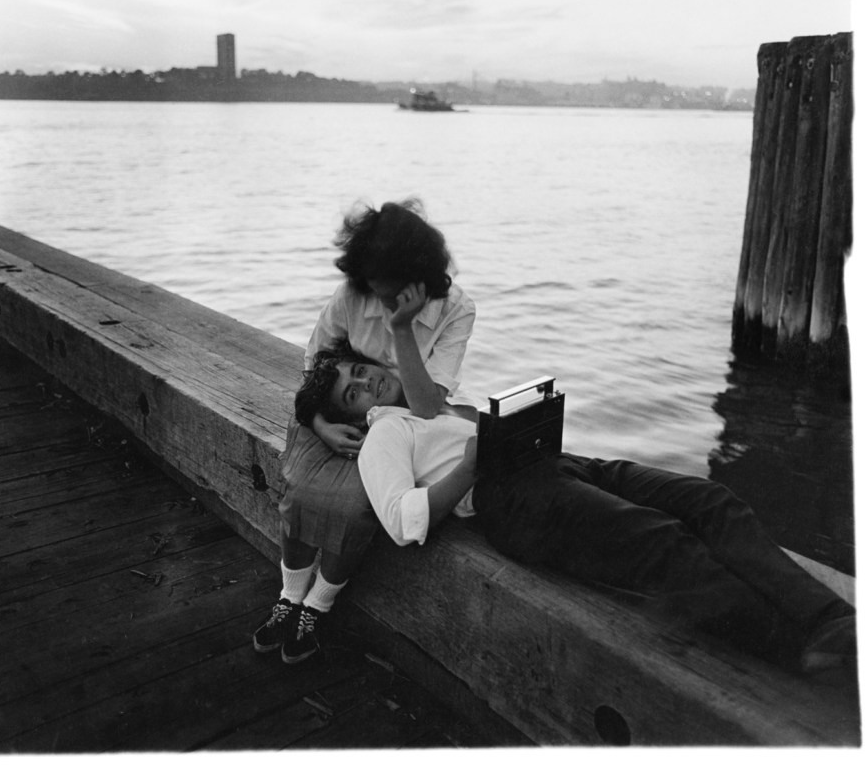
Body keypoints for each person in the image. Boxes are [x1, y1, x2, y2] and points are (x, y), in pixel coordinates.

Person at [293, 346, 858, 683]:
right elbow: (399, 519)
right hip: (512, 501)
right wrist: (469, 466)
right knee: (662, 542)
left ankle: (830, 616)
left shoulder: (431, 402)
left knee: (710, 500)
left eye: (360, 372)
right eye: (353, 395)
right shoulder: (384, 435)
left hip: (558, 464)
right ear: (351, 418)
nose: (367, 382)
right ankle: (796, 646)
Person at [252, 199, 478, 664]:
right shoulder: (352, 296)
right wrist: (321, 425)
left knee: (355, 507)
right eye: (372, 285)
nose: (378, 295)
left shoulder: (456, 311)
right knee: (300, 492)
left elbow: (426, 404)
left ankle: (318, 604)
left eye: (388, 287)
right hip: (332, 411)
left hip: (405, 421)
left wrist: (400, 328)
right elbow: (314, 367)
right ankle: (289, 595)